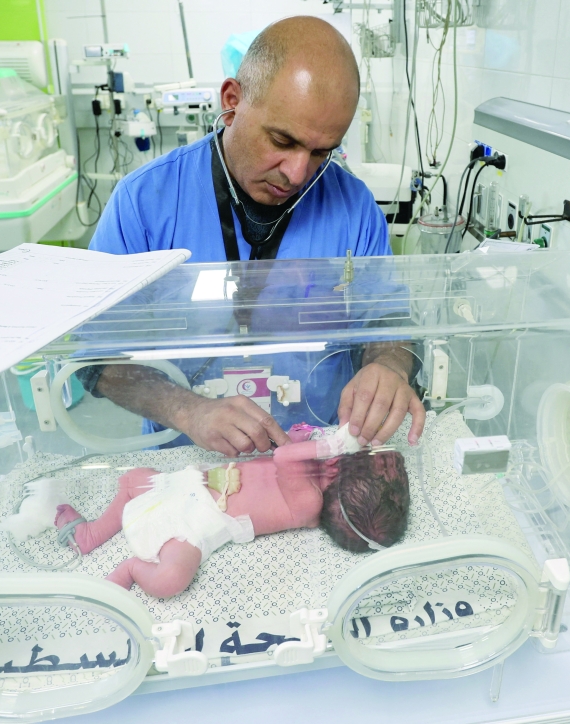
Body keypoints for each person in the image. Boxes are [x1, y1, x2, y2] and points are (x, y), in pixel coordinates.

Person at [86, 16, 424, 454]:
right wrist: (186, 409)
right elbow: (94, 356)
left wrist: (391, 366)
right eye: (282, 141)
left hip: (316, 451)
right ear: (232, 101)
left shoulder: (352, 207)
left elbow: (388, 320)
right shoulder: (146, 201)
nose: (297, 173)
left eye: (322, 152)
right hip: (189, 457)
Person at [51, 430, 410, 598]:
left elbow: (285, 458)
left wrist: (329, 445)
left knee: (170, 580)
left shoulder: (308, 503)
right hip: (187, 486)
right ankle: (91, 535)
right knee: (134, 481)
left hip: (200, 525)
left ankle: (127, 571)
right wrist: (315, 443)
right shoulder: (315, 473)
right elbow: (286, 448)